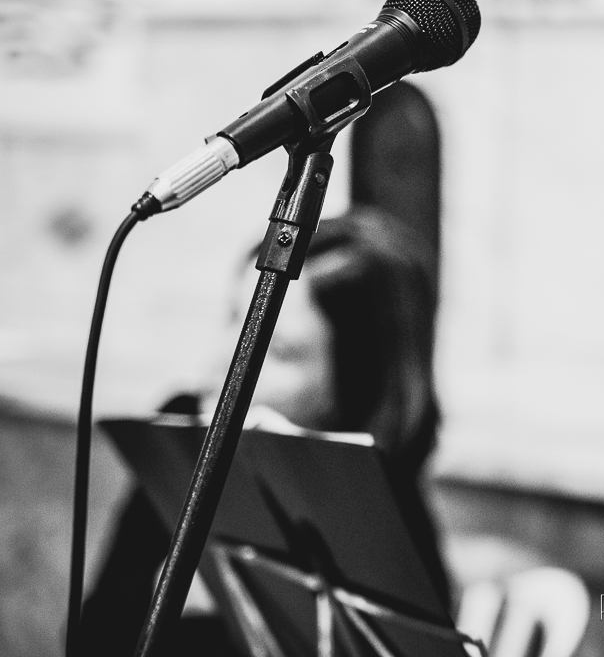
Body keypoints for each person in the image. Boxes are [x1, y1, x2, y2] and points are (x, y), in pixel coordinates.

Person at [77, 208, 450, 655]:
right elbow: (90, 637)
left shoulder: (386, 492)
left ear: (358, 384)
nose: (229, 365)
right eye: (237, 320)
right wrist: (173, 585)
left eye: (282, 352)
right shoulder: (186, 426)